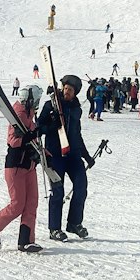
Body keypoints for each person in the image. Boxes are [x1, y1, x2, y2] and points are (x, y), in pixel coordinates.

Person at [0, 84, 43, 253]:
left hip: (29, 165)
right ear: (30, 100)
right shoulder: (17, 116)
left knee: (31, 203)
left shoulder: (29, 116)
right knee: (17, 204)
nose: (38, 102)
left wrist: (44, 153)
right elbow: (14, 141)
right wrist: (31, 135)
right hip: (16, 165)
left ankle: (26, 241)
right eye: (36, 99)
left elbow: (33, 139)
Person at [37, 75, 95, 241]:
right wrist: (51, 125)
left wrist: (86, 155)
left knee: (81, 187)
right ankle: (54, 228)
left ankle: (74, 223)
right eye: (65, 88)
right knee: (58, 191)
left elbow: (77, 134)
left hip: (74, 155)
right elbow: (39, 128)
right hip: (55, 155)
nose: (66, 91)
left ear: (76, 93)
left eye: (70, 90)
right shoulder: (50, 106)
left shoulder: (77, 109)